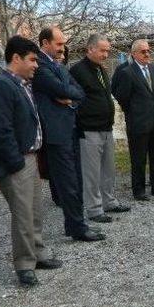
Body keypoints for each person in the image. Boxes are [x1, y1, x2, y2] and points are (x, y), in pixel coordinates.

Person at [0, 36, 62, 286]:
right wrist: (16, 163)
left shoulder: (22, 84)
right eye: (32, 60)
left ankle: (38, 253)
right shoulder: (0, 86)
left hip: (28, 157)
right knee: (23, 213)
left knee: (34, 209)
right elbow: (2, 131)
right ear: (15, 58)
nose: (36, 65)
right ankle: (24, 265)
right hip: (15, 162)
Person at [32, 26, 107, 240]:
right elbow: (64, 90)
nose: (62, 48)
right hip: (57, 134)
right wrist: (67, 94)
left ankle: (77, 224)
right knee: (67, 183)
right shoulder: (40, 67)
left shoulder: (59, 66)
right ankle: (76, 228)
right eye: (58, 44)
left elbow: (78, 91)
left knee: (76, 179)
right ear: (45, 43)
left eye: (63, 44)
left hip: (71, 129)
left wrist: (69, 97)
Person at [70, 34, 130, 220]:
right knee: (92, 173)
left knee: (108, 170)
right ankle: (95, 209)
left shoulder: (100, 70)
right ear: (90, 49)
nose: (106, 54)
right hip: (89, 129)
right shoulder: (77, 71)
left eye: (107, 51)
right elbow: (74, 99)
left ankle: (109, 202)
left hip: (106, 127)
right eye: (102, 50)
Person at [112, 39, 154, 199]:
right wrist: (135, 110)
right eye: (143, 51)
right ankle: (138, 190)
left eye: (148, 51)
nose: (147, 54)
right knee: (138, 158)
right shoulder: (127, 72)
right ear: (134, 54)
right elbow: (121, 96)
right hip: (138, 121)